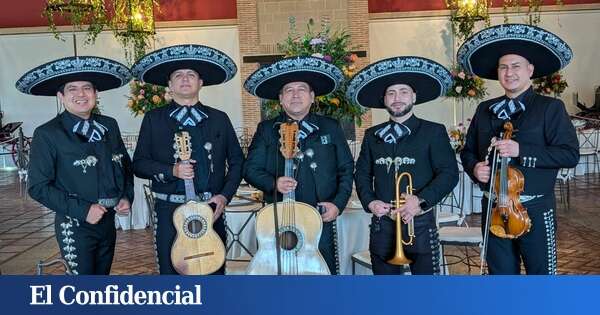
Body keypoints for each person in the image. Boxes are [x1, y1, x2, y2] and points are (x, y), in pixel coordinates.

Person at [457, 24, 580, 274]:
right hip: (493, 208)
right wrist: (474, 167)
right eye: (503, 67)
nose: (509, 72)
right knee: (501, 278)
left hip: (534, 208)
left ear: (530, 70)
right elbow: (467, 150)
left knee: (540, 277)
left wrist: (520, 151)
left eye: (516, 66)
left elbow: (570, 154)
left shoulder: (550, 108)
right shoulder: (485, 109)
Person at [131, 44, 243, 275]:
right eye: (178, 75)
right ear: (169, 85)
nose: (185, 79)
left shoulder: (219, 119)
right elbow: (139, 164)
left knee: (213, 275)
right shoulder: (154, 119)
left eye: (191, 75)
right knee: (173, 274)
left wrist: (224, 195)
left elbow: (237, 162)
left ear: (201, 83)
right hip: (169, 209)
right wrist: (171, 170)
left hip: (210, 208)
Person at [20, 56, 134, 275]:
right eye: (72, 89)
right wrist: (83, 210)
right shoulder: (48, 134)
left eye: (87, 88)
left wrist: (126, 196)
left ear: (96, 94)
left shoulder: (109, 125)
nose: (81, 94)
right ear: (61, 96)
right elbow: (38, 187)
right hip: (75, 224)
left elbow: (125, 168)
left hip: (108, 222)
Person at [243, 56, 354, 274]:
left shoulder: (330, 127)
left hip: (319, 216)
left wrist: (337, 204)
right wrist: (274, 183)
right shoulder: (267, 129)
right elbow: (250, 169)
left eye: (302, 89)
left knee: (320, 274)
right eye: (289, 90)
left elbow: (346, 168)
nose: (295, 95)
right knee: (276, 275)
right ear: (281, 99)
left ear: (312, 97)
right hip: (277, 221)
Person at [348, 56, 458, 275]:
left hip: (420, 221)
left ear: (414, 96)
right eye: (391, 93)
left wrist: (420, 201)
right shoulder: (372, 135)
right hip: (382, 224)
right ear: (384, 99)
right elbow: (361, 173)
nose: (397, 98)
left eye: (403, 91)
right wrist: (370, 203)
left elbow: (449, 174)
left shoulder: (433, 131)